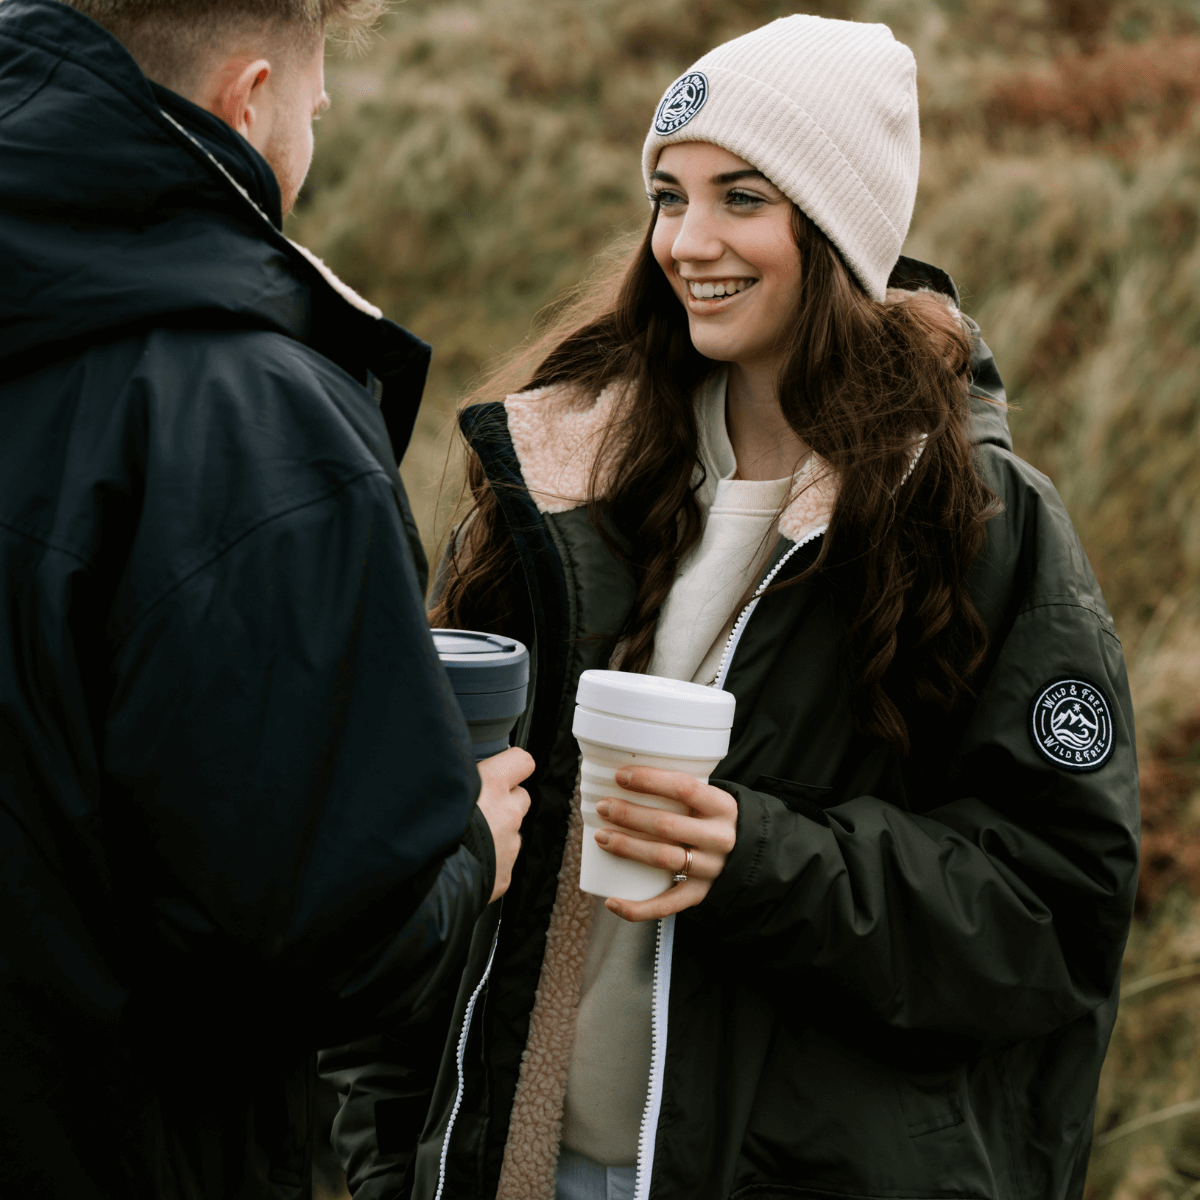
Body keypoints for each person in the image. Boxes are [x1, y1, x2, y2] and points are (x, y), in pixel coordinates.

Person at [322, 15, 1140, 1200]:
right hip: (518, 1167)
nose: (684, 241)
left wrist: (758, 856)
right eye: (668, 195)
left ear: (837, 230)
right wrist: (389, 1155)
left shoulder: (974, 518)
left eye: (741, 198)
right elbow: (416, 839)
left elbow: (1050, 916)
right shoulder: (560, 482)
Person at [0, 1, 532, 1197]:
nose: (315, 130)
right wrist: (464, 852)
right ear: (246, 101)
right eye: (311, 105)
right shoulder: (251, 417)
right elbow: (328, 939)